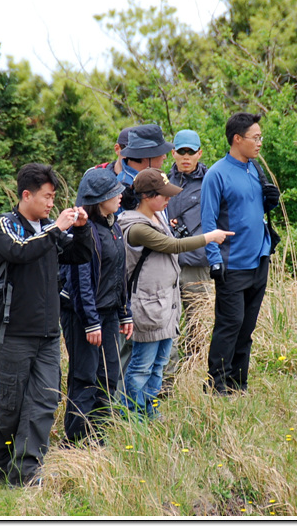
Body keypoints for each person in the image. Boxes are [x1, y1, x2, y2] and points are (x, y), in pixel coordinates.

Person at [0, 163, 93, 487]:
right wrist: (56, 230)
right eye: (47, 197)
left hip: (48, 335)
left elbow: (81, 254)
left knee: (45, 401)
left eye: (53, 198)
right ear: (26, 195)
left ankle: (27, 472)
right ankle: (3, 465)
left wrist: (84, 228)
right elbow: (19, 253)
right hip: (13, 333)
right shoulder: (5, 226)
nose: (51, 204)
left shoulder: (49, 230)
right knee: (11, 407)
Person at [118, 168, 234, 418]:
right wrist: (209, 237)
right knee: (141, 366)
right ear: (147, 196)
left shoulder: (158, 217)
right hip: (148, 305)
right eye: (163, 195)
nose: (168, 200)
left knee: (159, 364)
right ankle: (133, 416)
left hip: (164, 304)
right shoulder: (135, 226)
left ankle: (150, 411)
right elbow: (173, 246)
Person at [200, 112, 280, 396]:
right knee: (229, 325)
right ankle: (217, 385)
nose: (259, 143)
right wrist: (214, 260)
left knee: (246, 328)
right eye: (255, 138)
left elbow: (252, 210)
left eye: (260, 137)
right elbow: (208, 222)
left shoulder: (256, 169)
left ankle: (238, 384)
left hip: (259, 260)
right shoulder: (217, 174)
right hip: (231, 265)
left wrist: (270, 203)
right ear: (237, 139)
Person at [59, 168, 133, 445]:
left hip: (110, 313)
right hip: (83, 316)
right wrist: (91, 321)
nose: (120, 195)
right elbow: (80, 281)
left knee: (109, 375)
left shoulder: (112, 225)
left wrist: (125, 312)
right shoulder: (85, 230)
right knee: (85, 377)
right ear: (99, 199)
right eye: (114, 192)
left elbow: (119, 273)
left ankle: (98, 437)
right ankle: (76, 442)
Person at [112, 123, 175, 397]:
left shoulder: (155, 187)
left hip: (153, 292)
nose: (165, 158)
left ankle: (143, 411)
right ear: (147, 157)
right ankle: (123, 415)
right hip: (127, 293)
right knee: (129, 359)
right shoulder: (115, 188)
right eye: (160, 154)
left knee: (149, 361)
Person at [163, 129, 211, 385]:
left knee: (197, 325)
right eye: (181, 151)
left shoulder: (212, 181)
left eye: (191, 152)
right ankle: (167, 381)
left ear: (199, 153)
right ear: (173, 153)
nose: (186, 156)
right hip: (166, 263)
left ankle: (193, 378)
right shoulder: (161, 180)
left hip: (197, 265)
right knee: (167, 323)